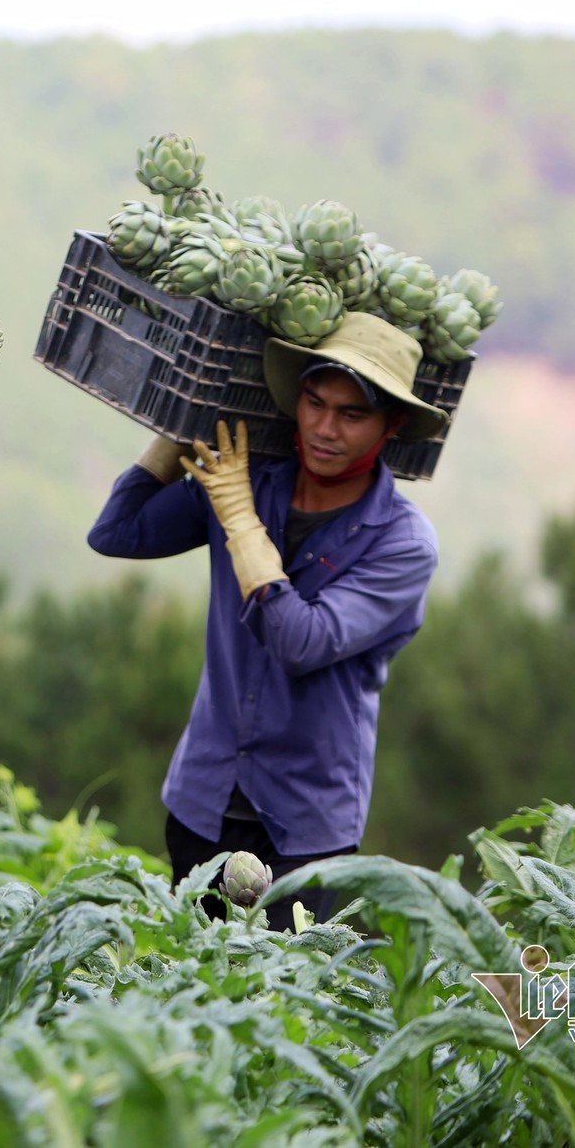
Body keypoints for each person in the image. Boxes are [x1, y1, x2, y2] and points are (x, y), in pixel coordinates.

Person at [86, 312, 446, 928]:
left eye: (351, 414)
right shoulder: (250, 478)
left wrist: (239, 520)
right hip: (203, 798)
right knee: (189, 986)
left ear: (394, 425)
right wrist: (185, 425)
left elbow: (299, 641)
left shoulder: (402, 543)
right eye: (313, 403)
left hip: (305, 826)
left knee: (277, 1001)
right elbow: (116, 533)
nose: (325, 428)